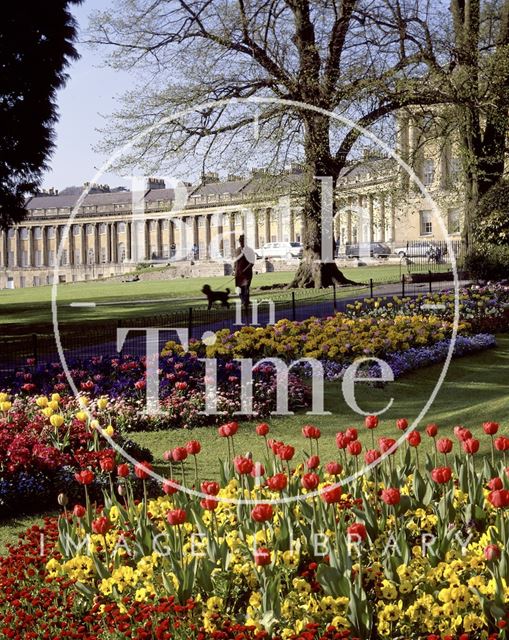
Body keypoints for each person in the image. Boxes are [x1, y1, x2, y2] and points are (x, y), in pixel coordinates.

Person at [235, 234, 255, 310]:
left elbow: (251, 263)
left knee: (245, 288)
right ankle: (244, 301)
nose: (241, 242)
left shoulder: (249, 251)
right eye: (240, 241)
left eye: (242, 241)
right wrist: (235, 270)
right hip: (238, 273)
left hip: (247, 274)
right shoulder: (237, 250)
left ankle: (245, 302)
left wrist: (244, 270)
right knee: (239, 289)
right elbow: (236, 261)